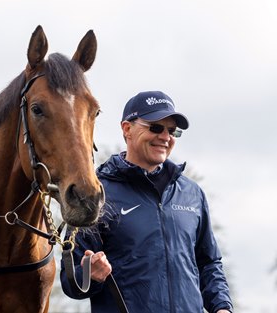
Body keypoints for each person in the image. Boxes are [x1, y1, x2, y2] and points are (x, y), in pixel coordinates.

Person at [60, 90, 233, 313]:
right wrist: (90, 274)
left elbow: (209, 263)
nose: (165, 137)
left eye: (172, 131)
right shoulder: (96, 194)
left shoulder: (192, 193)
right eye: (155, 128)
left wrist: (222, 307)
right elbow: (70, 280)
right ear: (127, 129)